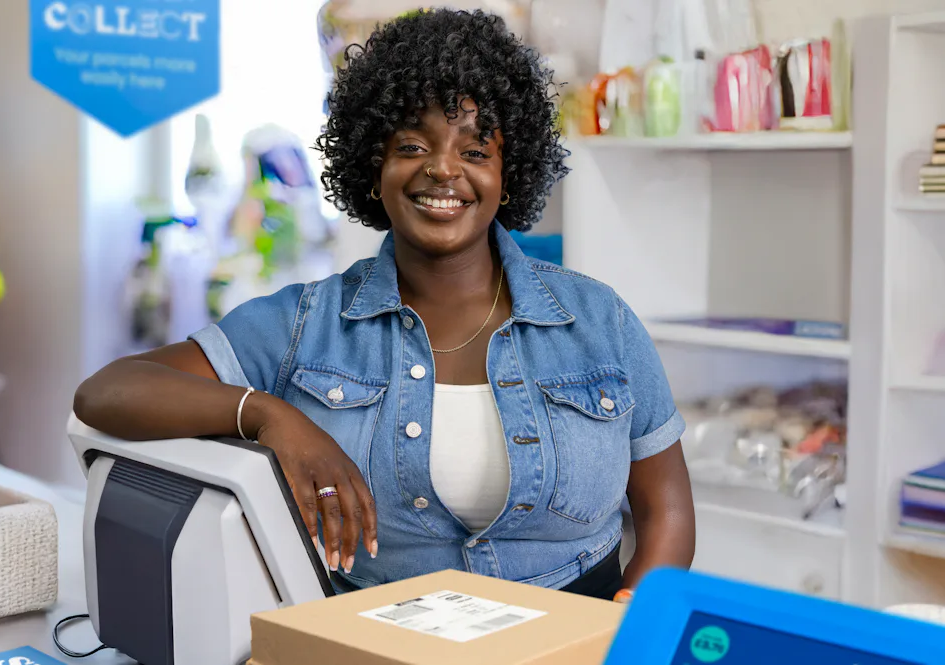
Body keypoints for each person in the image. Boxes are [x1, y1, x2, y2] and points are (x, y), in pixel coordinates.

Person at [74, 8, 695, 601]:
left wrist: (631, 615)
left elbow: (665, 509)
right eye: (412, 146)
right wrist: (269, 415)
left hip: (576, 637)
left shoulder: (597, 319)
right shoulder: (304, 326)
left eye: (475, 151)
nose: (443, 170)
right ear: (373, 167)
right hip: (375, 640)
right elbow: (108, 391)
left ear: (510, 173)